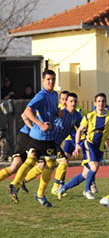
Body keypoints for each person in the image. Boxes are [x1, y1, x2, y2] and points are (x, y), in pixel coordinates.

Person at [57, 93, 109, 199]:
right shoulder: (89, 116)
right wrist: (77, 145)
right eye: (99, 101)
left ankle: (63, 188)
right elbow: (79, 131)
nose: (101, 103)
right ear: (95, 103)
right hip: (89, 144)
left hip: (100, 147)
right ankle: (87, 190)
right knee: (94, 166)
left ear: (105, 103)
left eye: (103, 101)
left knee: (85, 174)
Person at [8, 70, 58, 206]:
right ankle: (40, 194)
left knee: (33, 161)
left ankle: (16, 184)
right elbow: (27, 111)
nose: (51, 82)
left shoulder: (54, 95)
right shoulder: (41, 95)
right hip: (41, 136)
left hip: (44, 136)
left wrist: (57, 113)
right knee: (50, 163)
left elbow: (50, 112)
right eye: (48, 79)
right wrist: (41, 124)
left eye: (53, 79)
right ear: (43, 80)